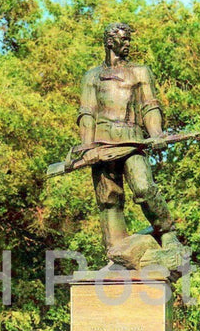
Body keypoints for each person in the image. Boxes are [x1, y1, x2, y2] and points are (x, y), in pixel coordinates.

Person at [77, 22, 182, 255]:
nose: (128, 44)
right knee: (108, 199)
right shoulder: (92, 76)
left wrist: (156, 134)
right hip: (101, 145)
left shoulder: (140, 72)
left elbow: (149, 107)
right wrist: (86, 147)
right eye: (123, 40)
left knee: (144, 188)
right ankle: (116, 251)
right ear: (109, 42)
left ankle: (167, 233)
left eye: (128, 40)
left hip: (132, 141)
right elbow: (87, 113)